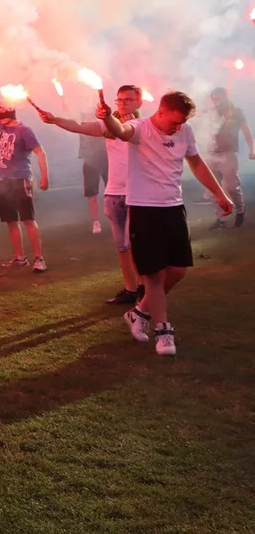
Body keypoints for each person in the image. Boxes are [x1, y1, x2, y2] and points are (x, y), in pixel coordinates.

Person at [100, 90, 233, 356]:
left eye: (182, 122)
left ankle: (139, 312)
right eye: (174, 122)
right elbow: (121, 130)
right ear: (160, 112)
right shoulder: (139, 128)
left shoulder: (185, 131)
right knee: (155, 275)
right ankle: (163, 331)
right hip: (144, 209)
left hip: (173, 207)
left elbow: (196, 163)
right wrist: (107, 118)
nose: (178, 127)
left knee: (178, 270)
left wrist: (220, 193)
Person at [39, 85, 145, 305]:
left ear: (139, 102)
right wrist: (54, 119)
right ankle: (130, 289)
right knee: (122, 247)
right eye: (120, 100)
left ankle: (145, 288)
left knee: (137, 246)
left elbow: (123, 132)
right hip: (114, 193)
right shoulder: (106, 125)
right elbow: (79, 126)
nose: (123, 103)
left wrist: (108, 119)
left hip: (138, 194)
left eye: (128, 100)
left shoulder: (143, 126)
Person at [0, 67, 49, 272]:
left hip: (20, 180)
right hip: (4, 181)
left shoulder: (24, 130)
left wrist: (44, 177)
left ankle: (39, 259)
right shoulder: (3, 127)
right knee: (11, 221)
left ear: (6, 112)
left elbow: (40, 153)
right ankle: (19, 258)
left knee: (28, 219)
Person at [206, 87, 252, 229]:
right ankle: (220, 219)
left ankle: (240, 210)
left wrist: (252, 149)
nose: (216, 101)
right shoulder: (212, 112)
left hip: (228, 154)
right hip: (211, 154)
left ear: (225, 96)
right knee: (214, 187)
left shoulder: (237, 112)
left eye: (218, 98)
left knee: (232, 187)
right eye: (213, 98)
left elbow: (246, 130)